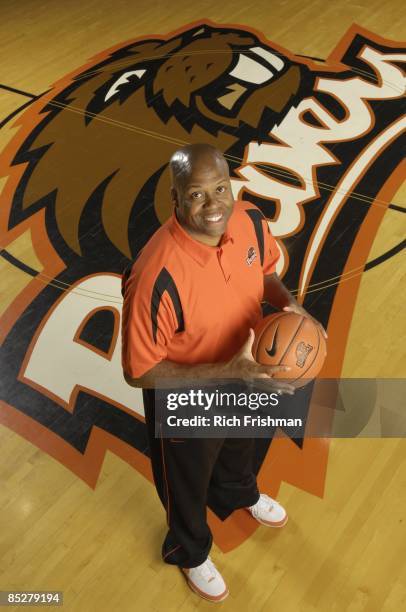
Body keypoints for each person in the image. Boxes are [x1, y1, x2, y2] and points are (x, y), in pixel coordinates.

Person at [121, 143, 327, 603]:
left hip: (249, 367)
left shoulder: (250, 219)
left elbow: (267, 271)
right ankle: (189, 549)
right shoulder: (155, 275)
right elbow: (139, 371)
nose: (213, 204)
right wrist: (224, 370)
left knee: (243, 442)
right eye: (196, 194)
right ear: (175, 201)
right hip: (186, 390)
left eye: (220, 188)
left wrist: (288, 305)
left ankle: (238, 494)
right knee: (186, 480)